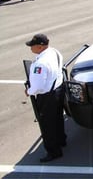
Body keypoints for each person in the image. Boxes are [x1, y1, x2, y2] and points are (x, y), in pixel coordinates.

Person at [25, 34, 66, 163]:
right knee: (58, 118)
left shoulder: (40, 64)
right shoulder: (54, 52)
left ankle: (53, 151)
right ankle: (61, 140)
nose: (31, 48)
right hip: (58, 89)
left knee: (47, 125)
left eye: (32, 46)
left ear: (40, 46)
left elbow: (37, 86)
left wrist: (29, 91)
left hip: (47, 96)